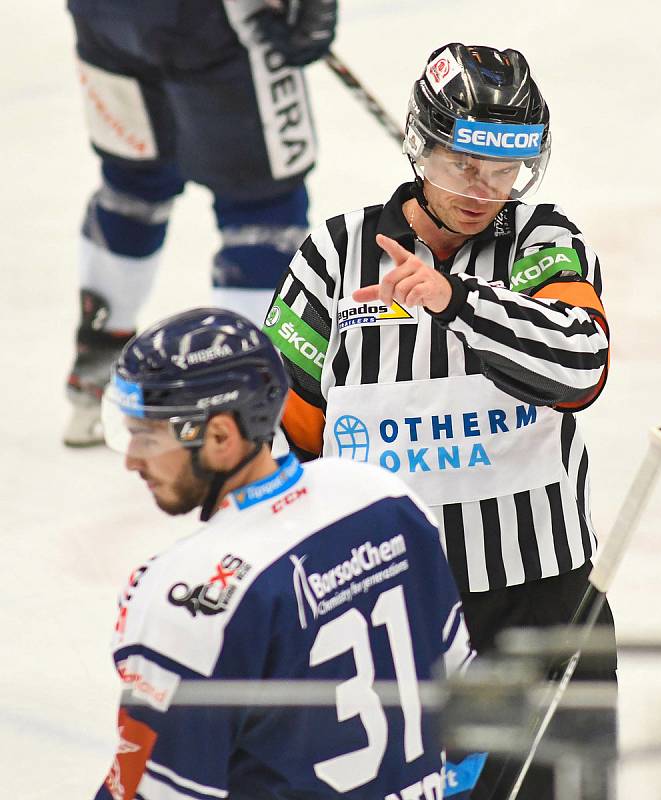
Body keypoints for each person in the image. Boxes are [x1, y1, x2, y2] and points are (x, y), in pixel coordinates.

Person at [264, 43, 617, 798]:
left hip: (538, 599)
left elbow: (579, 367)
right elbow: (287, 431)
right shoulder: (333, 255)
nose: (484, 189)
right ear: (422, 144)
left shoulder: (543, 242)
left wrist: (455, 302)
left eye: (505, 169)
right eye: (464, 164)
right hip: (385, 602)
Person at [96, 306, 473, 800]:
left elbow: (154, 792)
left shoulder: (184, 593)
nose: (131, 459)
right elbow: (467, 714)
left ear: (220, 437)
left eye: (146, 436)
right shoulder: (381, 495)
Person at [63, 0, 337, 447]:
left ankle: (97, 367)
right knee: (262, 208)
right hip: (212, 20)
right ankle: (246, 406)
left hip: (103, 17)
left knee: (133, 181)